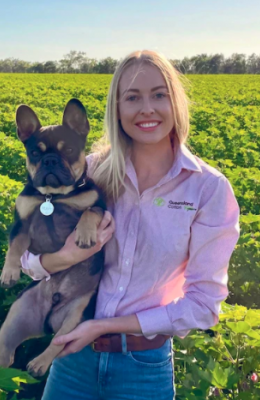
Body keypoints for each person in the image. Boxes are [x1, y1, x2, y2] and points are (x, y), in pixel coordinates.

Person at [19, 49, 241, 400]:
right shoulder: (87, 171)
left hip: (143, 368)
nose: (146, 109)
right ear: (117, 108)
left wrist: (101, 327)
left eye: (159, 95)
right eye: (132, 97)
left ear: (176, 103)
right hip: (71, 359)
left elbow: (203, 304)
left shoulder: (207, 189)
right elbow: (28, 262)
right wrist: (57, 259)